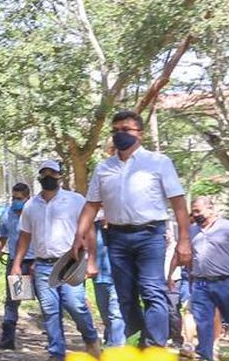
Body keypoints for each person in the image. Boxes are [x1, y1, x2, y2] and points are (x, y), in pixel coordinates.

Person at [75, 110, 190, 348]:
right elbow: (91, 205)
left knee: (152, 290)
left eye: (126, 130)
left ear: (140, 134)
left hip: (150, 235)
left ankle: (155, 348)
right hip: (116, 237)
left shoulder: (159, 163)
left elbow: (178, 203)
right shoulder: (104, 168)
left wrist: (184, 240)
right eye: (115, 130)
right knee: (125, 296)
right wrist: (79, 236)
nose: (120, 134)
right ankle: (138, 344)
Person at [11, 161, 101, 361]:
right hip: (43, 265)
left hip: (70, 262)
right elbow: (24, 236)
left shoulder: (75, 200)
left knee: (75, 304)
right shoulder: (31, 205)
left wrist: (92, 261)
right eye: (44, 173)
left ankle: (91, 340)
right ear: (39, 177)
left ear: (60, 176)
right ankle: (56, 355)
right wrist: (17, 263)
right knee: (50, 310)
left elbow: (89, 231)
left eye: (52, 173)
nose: (48, 177)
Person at [181, 196, 229, 361]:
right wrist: (191, 280)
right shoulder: (192, 231)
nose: (195, 214)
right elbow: (191, 257)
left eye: (198, 211)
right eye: (193, 211)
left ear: (211, 209)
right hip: (200, 283)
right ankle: (206, 358)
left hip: (226, 282)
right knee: (203, 321)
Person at [0, 183, 32, 350]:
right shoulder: (8, 213)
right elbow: (3, 232)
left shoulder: (35, 212)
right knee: (13, 300)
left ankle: (55, 342)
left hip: (36, 262)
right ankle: (8, 339)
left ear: (27, 198)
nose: (16, 201)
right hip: (16, 263)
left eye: (19, 199)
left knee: (47, 301)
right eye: (14, 198)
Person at [93, 218, 126, 346]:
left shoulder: (121, 227)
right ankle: (110, 341)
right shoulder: (93, 227)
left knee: (116, 314)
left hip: (117, 276)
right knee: (105, 314)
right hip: (99, 277)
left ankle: (117, 348)